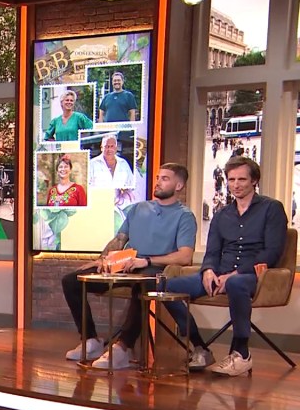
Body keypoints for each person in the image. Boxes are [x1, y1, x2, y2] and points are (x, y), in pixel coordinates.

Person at [61, 163, 197, 369]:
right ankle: (91, 340)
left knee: (143, 283)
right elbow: (120, 239)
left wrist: (147, 260)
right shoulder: (139, 208)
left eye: (165, 179)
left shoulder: (184, 216)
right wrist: (103, 259)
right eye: (158, 177)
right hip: (126, 265)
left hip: (154, 269)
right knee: (72, 281)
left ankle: (123, 347)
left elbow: (185, 256)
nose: (158, 182)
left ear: (179, 185)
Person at [164, 157, 287, 377]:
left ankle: (241, 354)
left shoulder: (271, 208)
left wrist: (234, 274)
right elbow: (212, 252)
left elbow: (272, 252)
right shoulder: (222, 214)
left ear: (254, 181)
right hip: (219, 274)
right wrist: (208, 270)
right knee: (166, 286)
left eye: (242, 179)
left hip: (253, 275)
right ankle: (200, 347)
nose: (236, 185)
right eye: (231, 180)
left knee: (236, 283)